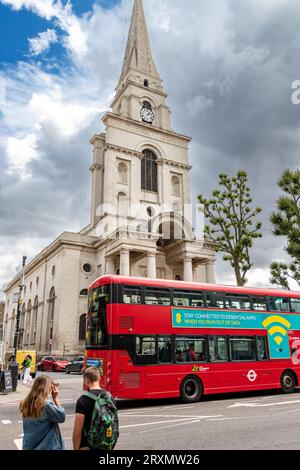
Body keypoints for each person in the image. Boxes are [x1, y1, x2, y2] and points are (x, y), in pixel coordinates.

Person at [73, 367, 117, 450]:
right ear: (99, 378)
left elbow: (77, 433)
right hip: (106, 444)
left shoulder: (83, 400)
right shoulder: (109, 398)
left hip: (87, 445)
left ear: (86, 379)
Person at [19, 375, 65, 450]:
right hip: (48, 447)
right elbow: (61, 417)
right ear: (48, 388)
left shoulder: (25, 403)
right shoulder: (46, 405)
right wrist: (56, 399)